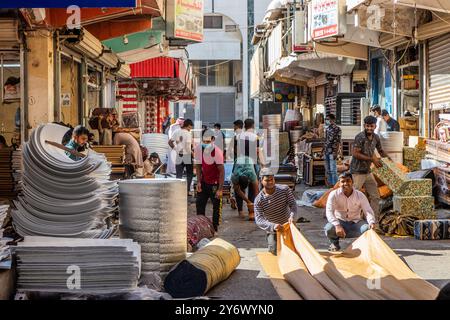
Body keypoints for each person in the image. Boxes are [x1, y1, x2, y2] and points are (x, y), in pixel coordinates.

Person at [324, 172, 376, 252]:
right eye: (342, 181)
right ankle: (334, 244)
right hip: (340, 223)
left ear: (352, 182)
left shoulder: (360, 195)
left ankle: (364, 248)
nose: (345, 184)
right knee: (329, 228)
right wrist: (337, 225)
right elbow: (329, 212)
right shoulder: (333, 195)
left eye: (348, 181)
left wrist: (371, 222)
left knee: (367, 229)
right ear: (339, 183)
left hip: (355, 223)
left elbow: (368, 211)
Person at [350, 115, 389, 222]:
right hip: (357, 171)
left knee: (375, 196)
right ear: (364, 125)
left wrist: (389, 161)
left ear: (375, 126)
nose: (369, 128)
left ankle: (373, 220)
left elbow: (381, 151)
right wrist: (372, 159)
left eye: (371, 126)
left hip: (367, 171)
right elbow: (355, 153)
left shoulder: (376, 137)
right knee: (355, 196)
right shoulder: (360, 137)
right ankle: (352, 219)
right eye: (367, 126)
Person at [254, 168, 298, 255]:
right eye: (267, 180)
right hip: (273, 229)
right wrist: (274, 226)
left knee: (295, 249)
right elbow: (259, 220)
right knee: (274, 251)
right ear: (261, 181)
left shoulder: (284, 189)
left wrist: (292, 216)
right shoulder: (259, 200)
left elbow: (293, 205)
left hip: (288, 226)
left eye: (272, 179)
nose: (270, 182)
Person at [194, 129, 225, 233]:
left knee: (216, 207)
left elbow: (221, 171)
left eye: (208, 142)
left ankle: (215, 229)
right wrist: (198, 182)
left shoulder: (217, 152)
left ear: (213, 140)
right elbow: (198, 167)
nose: (206, 144)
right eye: (204, 142)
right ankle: (201, 227)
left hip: (215, 184)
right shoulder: (199, 150)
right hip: (203, 181)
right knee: (199, 204)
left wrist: (220, 189)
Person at [169, 119, 194, 194]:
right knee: (189, 174)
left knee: (178, 174)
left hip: (179, 155)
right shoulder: (188, 133)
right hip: (187, 155)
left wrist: (176, 149)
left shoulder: (176, 131)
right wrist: (192, 154)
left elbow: (170, 142)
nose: (190, 129)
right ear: (188, 125)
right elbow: (187, 147)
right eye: (190, 127)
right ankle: (187, 190)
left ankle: (178, 191)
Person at [324, 114, 341, 186]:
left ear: (333, 120)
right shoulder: (327, 129)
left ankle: (335, 185)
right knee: (328, 170)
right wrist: (322, 151)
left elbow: (338, 141)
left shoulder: (337, 129)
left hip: (332, 151)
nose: (327, 121)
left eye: (328, 119)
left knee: (333, 169)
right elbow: (325, 140)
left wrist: (336, 152)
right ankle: (330, 184)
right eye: (326, 119)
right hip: (326, 151)